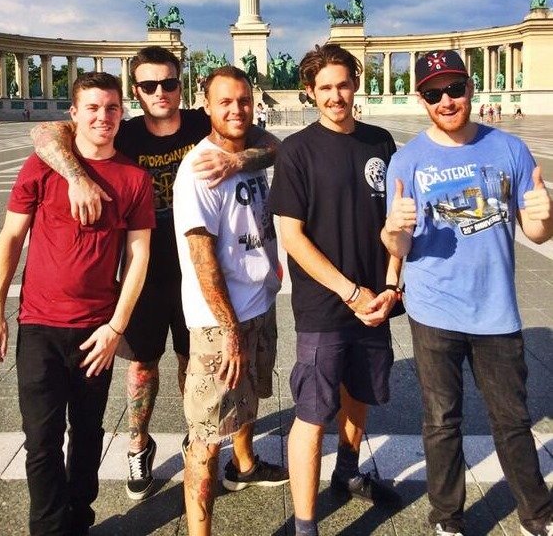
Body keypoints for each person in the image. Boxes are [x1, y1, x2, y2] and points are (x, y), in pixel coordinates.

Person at [30, 46, 279, 501]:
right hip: (143, 271)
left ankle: (203, 439)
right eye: (148, 85)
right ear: (135, 91)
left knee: (194, 362)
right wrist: (76, 177)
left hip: (202, 275)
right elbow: (45, 132)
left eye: (168, 83)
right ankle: (138, 444)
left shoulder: (204, 123)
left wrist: (235, 161)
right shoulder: (123, 132)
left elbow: (274, 145)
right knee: (143, 363)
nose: (159, 92)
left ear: (182, 87)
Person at [382, 49, 553, 536]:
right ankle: (447, 517)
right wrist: (393, 230)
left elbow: (536, 232)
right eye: (434, 93)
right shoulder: (406, 160)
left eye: (454, 89)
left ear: (470, 88)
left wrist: (545, 215)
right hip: (433, 310)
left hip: (496, 310)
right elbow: (398, 244)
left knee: (513, 420)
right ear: (421, 99)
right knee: (441, 421)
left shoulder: (510, 149)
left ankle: (537, 515)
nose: (446, 100)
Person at [0, 72, 154, 535]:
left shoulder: (134, 178)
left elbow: (138, 256)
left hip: (96, 329)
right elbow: (10, 238)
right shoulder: (42, 166)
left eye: (112, 108)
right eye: (92, 108)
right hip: (39, 323)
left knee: (89, 434)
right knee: (41, 440)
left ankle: (79, 520)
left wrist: (116, 327)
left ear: (122, 112)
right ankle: (49, 529)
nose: (103, 117)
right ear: (73, 113)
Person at [269, 44, 404, 536]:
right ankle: (306, 526)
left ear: (355, 84)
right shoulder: (297, 151)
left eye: (342, 84)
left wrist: (390, 285)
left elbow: (398, 221)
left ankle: (347, 472)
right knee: (311, 413)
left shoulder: (381, 142)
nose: (335, 95)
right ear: (310, 92)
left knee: (360, 393)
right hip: (325, 304)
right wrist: (350, 292)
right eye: (324, 87)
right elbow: (291, 236)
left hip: (375, 299)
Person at [173, 65, 288, 536]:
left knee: (250, 398)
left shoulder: (248, 154)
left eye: (243, 100)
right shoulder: (199, 170)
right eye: (224, 102)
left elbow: (278, 146)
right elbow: (202, 260)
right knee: (205, 436)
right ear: (206, 106)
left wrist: (240, 161)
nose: (236, 109)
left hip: (258, 303)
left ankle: (245, 465)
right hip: (219, 322)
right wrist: (230, 332)